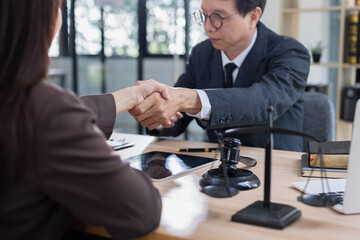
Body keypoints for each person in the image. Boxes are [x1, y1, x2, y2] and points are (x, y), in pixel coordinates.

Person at [0, 1, 167, 239]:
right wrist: (104, 160)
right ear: (42, 19)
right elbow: (141, 211)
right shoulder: (46, 111)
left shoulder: (34, 108)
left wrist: (123, 98)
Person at [129, 0, 311, 151]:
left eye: (218, 17)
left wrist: (187, 98)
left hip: (274, 166)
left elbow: (263, 101)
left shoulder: (290, 52)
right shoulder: (202, 53)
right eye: (204, 16)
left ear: (253, 17)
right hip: (216, 168)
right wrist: (157, 113)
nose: (208, 27)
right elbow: (177, 117)